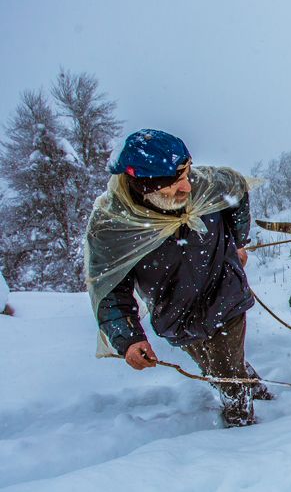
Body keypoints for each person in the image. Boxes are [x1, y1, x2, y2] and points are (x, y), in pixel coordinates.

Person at [84, 129, 270, 427]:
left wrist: (238, 242)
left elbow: (236, 190)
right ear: (145, 185)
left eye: (187, 171)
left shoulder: (205, 184)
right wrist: (129, 339)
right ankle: (249, 383)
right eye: (175, 182)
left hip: (224, 288)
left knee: (226, 371)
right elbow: (109, 288)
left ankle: (242, 427)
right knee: (213, 366)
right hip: (174, 310)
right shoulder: (113, 226)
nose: (187, 184)